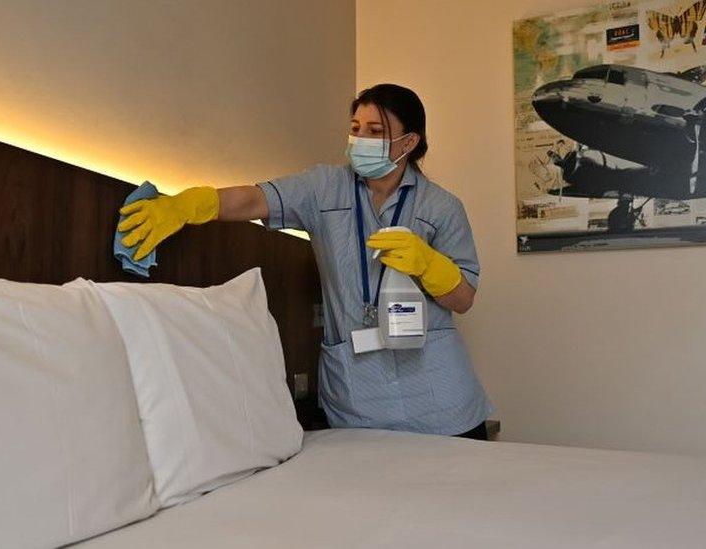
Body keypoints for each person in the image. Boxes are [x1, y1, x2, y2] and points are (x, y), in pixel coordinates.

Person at [117, 84, 494, 440]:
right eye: (355, 128)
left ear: (408, 142)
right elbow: (253, 200)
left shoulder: (442, 207)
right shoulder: (323, 187)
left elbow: (463, 299)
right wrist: (188, 204)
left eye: (375, 131)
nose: (360, 139)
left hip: (440, 399)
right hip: (358, 401)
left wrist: (430, 265)